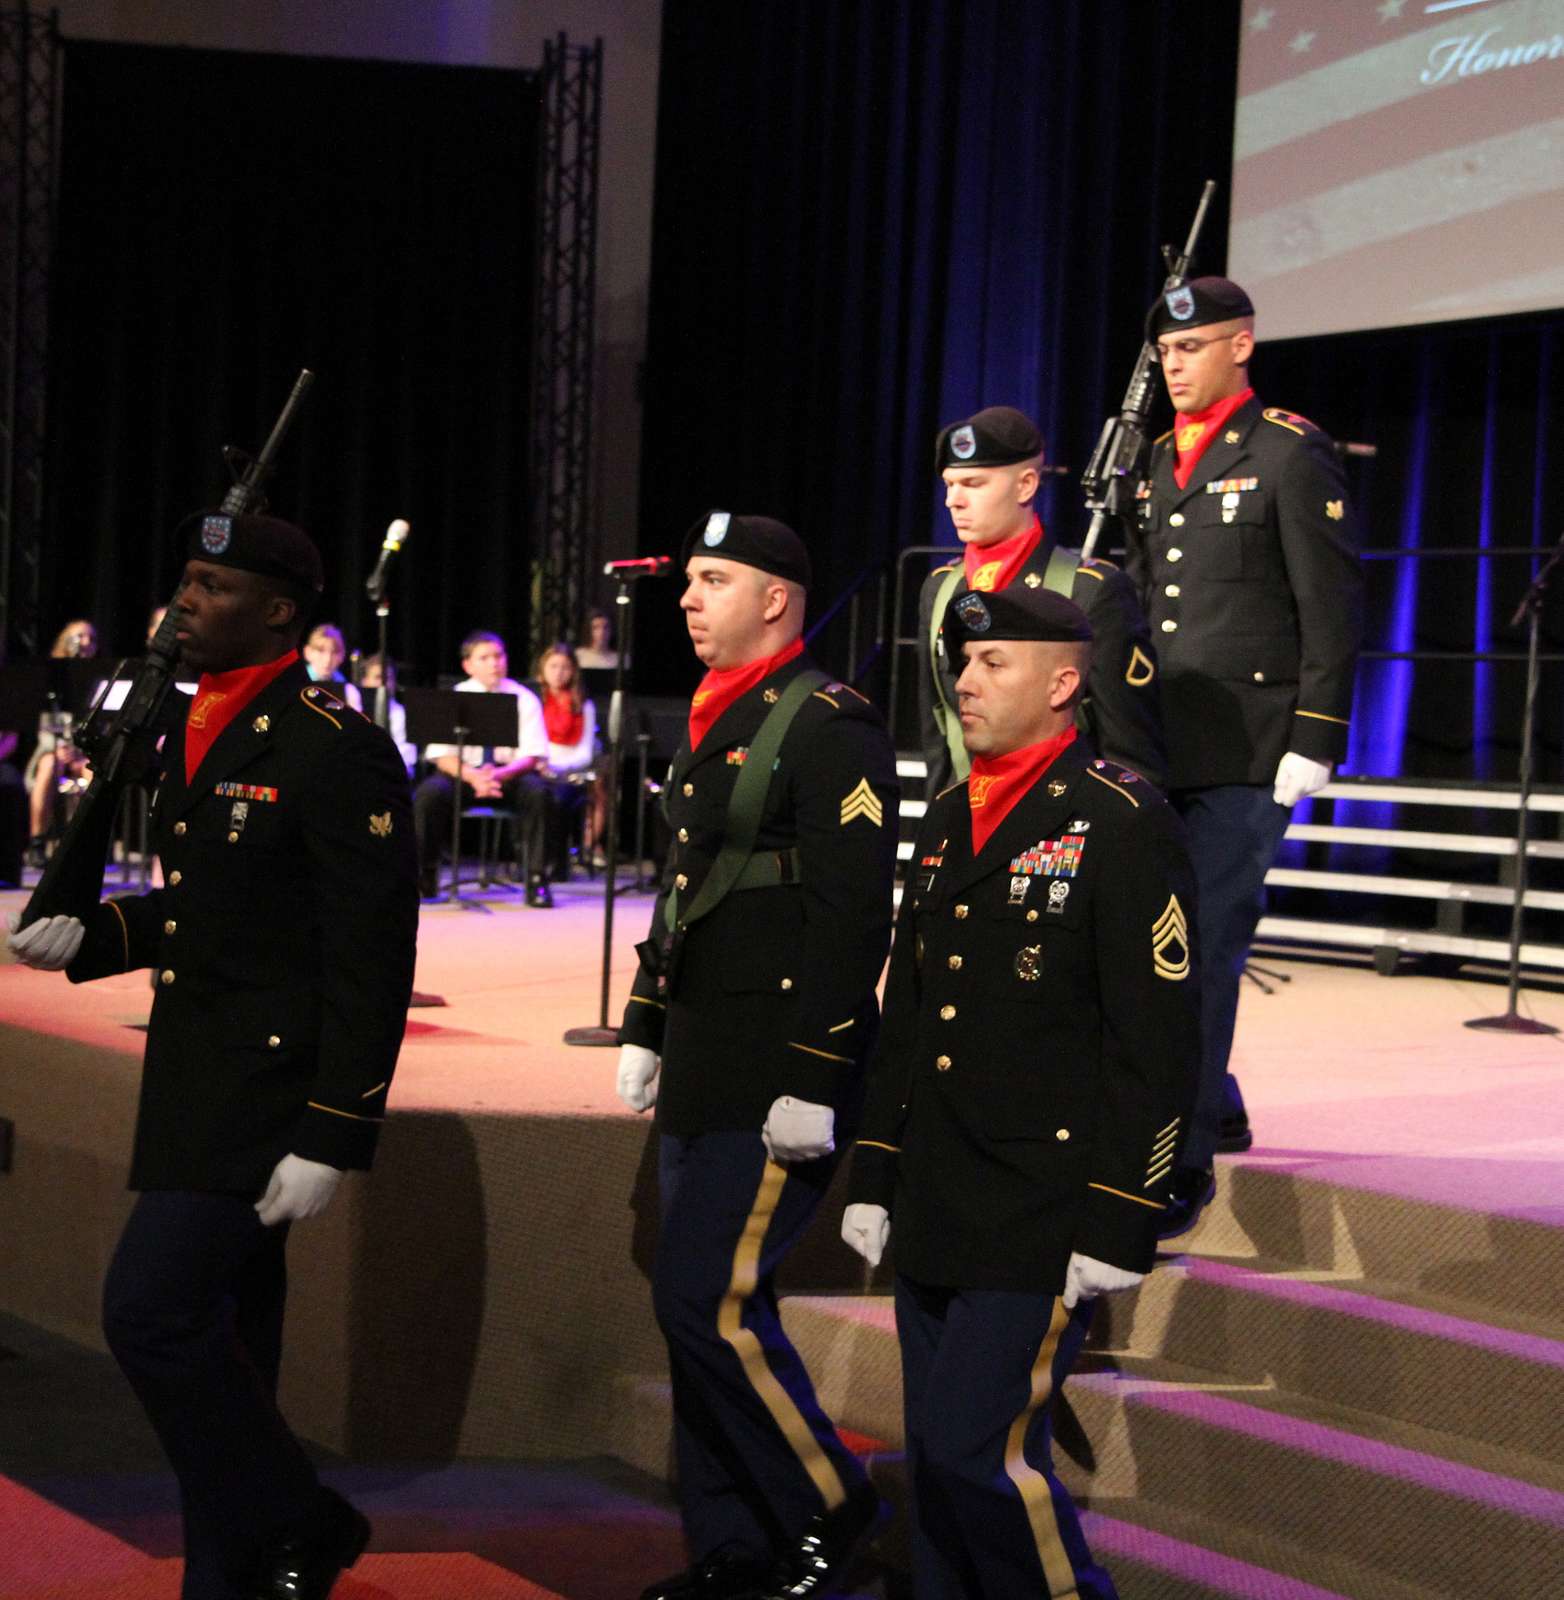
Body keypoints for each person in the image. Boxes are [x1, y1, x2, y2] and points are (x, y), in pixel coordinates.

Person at [6, 509, 419, 1600]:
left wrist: (338, 1127)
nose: (184, 600)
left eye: (211, 585)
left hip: (268, 1090)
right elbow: (219, 907)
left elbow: (368, 956)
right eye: (183, 579)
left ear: (277, 611)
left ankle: (304, 1519)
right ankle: (231, 1578)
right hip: (197, 1072)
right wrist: (99, 937)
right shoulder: (206, 719)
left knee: (149, 1312)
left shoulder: (334, 744)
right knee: (234, 1345)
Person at [842, 583, 1200, 1600]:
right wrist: (875, 1167)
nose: (964, 681)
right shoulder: (953, 810)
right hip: (940, 1187)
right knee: (937, 1468)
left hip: (1040, 1202)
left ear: (1062, 681)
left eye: (993, 663)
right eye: (962, 663)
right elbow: (912, 1008)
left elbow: (1157, 1038)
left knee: (976, 1458)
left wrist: (1124, 1210)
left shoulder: (1120, 816)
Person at [617, 511, 899, 1600]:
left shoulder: (829, 723)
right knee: (700, 1312)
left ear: (775, 598)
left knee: (707, 1303)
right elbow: (688, 887)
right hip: (704, 1051)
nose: (687, 598)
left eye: (713, 580)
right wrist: (648, 1018)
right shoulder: (714, 713)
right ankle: (731, 1544)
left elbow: (850, 913)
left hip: (774, 1066)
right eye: (688, 579)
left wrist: (817, 1072)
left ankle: (829, 1504)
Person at [1123, 276, 1362, 1229]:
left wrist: (1319, 734)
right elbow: (1145, 602)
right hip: (1162, 740)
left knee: (1202, 945)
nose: (1176, 365)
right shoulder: (1151, 461)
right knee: (1154, 942)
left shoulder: (1289, 452)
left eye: (1194, 347)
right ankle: (1212, 1102)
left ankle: (1174, 1161)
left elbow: (1331, 601)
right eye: (1166, 353)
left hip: (1254, 746)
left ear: (1242, 345)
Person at [918, 406, 1163, 799]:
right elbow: (939, 734)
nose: (953, 500)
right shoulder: (941, 588)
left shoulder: (1089, 590)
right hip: (970, 818)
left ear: (1026, 485)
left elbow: (1130, 750)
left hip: (1062, 821)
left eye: (973, 484)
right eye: (949, 484)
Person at [412, 629, 552, 905]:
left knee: (539, 794)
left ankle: (537, 880)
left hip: (508, 775)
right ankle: (425, 875)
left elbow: (532, 755)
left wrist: (497, 775)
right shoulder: (455, 696)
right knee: (428, 795)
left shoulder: (524, 698)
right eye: (485, 657)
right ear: (468, 665)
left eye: (498, 656)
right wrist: (474, 777)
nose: (494, 663)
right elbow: (441, 754)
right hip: (464, 774)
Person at [25, 618, 100, 860]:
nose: (85, 643)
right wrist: (60, 750)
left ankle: (84, 846)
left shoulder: (100, 678)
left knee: (96, 773)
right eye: (79, 637)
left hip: (84, 753)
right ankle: (37, 843)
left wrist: (80, 752)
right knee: (49, 764)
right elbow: (44, 725)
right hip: (52, 752)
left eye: (91, 638)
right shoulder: (52, 677)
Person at [535, 641, 597, 877]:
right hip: (537, 768)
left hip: (568, 774)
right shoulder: (535, 701)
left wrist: (553, 766)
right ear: (542, 670)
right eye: (553, 666)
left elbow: (585, 753)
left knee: (559, 799)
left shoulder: (584, 705)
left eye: (565, 667)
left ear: (573, 671)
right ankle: (532, 861)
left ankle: (558, 862)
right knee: (534, 795)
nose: (559, 673)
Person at [357, 653, 416, 776]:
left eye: (388, 678)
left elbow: (408, 755)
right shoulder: (355, 709)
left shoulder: (401, 713)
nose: (384, 684)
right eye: (378, 677)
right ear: (364, 681)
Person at [301, 622, 363, 711]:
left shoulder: (348, 691)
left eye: (334, 652)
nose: (328, 659)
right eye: (320, 650)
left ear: (342, 655)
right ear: (307, 652)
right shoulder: (297, 682)